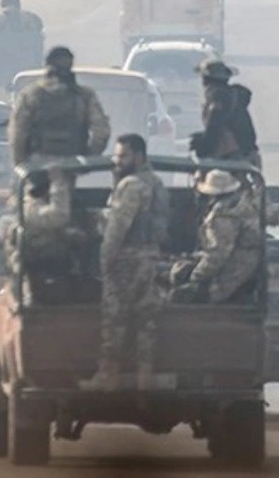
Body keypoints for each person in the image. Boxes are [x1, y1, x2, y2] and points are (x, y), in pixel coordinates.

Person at [81, 135, 169, 391]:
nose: (116, 161)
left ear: (139, 156)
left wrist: (104, 259)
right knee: (146, 319)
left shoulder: (131, 185)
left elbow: (118, 227)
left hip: (127, 258)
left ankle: (109, 374)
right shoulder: (155, 183)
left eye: (123, 156)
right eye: (116, 155)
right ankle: (145, 375)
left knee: (114, 317)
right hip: (150, 257)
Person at [9, 46, 111, 167]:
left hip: (37, 164)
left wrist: (22, 164)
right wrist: (88, 158)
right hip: (72, 162)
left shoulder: (31, 95)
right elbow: (102, 132)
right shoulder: (84, 96)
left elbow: (18, 134)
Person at [172, 169, 262, 303]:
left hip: (237, 266)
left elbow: (218, 254)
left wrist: (196, 276)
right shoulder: (244, 204)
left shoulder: (224, 213)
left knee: (182, 295)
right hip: (248, 263)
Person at [190, 59, 260, 168]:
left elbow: (214, 128)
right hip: (249, 157)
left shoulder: (218, 99)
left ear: (205, 81)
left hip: (232, 160)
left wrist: (203, 148)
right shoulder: (234, 96)